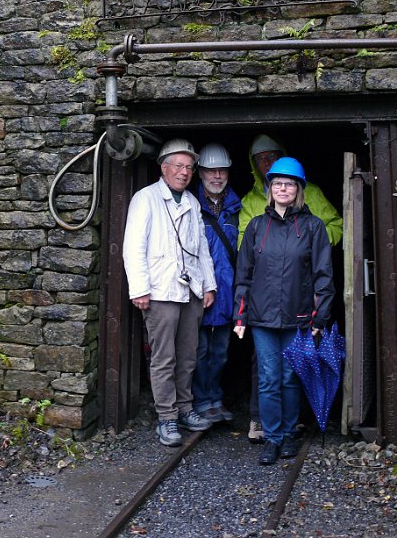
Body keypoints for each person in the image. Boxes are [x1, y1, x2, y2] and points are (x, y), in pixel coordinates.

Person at [238, 134, 343, 443]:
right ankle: (271, 437)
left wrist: (319, 319)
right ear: (269, 186)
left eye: (289, 184)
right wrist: (240, 317)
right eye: (277, 183)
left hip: (298, 316)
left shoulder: (313, 226)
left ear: (299, 189)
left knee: (289, 377)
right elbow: (244, 272)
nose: (282, 188)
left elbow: (324, 275)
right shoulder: (256, 223)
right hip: (262, 316)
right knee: (269, 378)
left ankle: (286, 433)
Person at [123, 138, 218, 447]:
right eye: (178, 166)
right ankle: (166, 417)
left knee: (188, 356)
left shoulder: (191, 201)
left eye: (189, 167)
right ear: (163, 168)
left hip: (190, 290)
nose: (184, 172)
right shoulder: (145, 198)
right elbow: (133, 247)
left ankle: (185, 409)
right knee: (164, 358)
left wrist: (208, 284)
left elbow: (201, 247)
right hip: (160, 290)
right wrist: (139, 289)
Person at [192, 143, 242, 423]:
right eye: (211, 171)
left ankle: (215, 398)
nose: (217, 176)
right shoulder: (190, 205)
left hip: (228, 292)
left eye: (221, 170)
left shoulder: (237, 207)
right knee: (199, 352)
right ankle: (201, 400)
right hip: (200, 293)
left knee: (220, 352)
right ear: (200, 173)